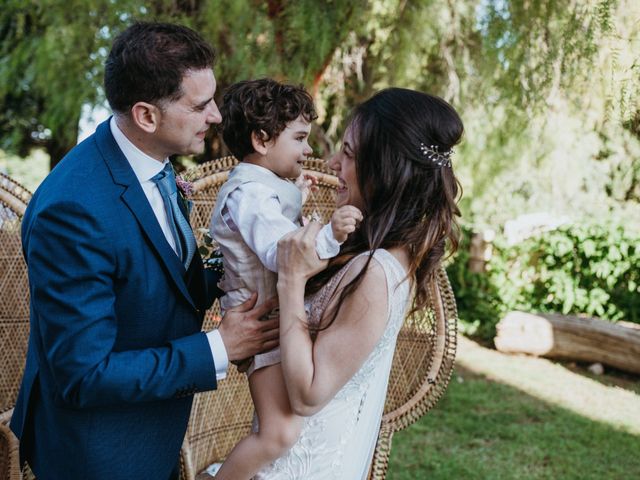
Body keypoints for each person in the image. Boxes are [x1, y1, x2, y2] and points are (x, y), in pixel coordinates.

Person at [10, 22, 279, 480]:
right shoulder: (73, 210)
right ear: (146, 116)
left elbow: (165, 276)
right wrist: (220, 346)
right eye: (199, 106)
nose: (216, 116)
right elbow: (84, 373)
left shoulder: (152, 162)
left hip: (151, 428)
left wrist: (239, 264)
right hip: (99, 450)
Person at [255, 87, 463, 479]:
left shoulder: (375, 273)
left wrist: (292, 279)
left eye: (349, 153)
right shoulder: (384, 257)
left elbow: (308, 394)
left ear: (384, 170)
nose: (332, 162)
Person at [209, 78, 363, 480]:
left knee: (282, 426)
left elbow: (273, 221)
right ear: (262, 139)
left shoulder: (262, 187)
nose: (308, 150)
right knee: (280, 433)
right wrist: (332, 232)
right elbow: (283, 253)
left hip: (275, 321)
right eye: (299, 138)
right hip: (262, 325)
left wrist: (296, 195)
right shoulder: (250, 195)